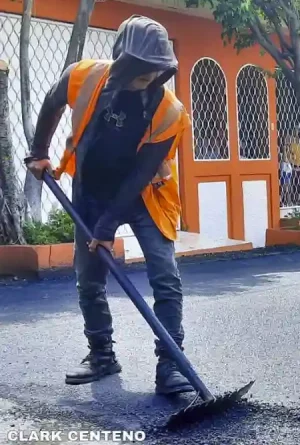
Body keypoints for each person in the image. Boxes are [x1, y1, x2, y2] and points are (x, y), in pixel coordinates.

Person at [24, 15, 194, 395]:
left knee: (165, 277)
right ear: (123, 63)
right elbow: (52, 103)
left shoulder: (170, 113)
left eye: (154, 73)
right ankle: (102, 355)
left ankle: (170, 366)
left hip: (146, 195)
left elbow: (138, 176)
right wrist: (37, 152)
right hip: (91, 191)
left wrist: (105, 229)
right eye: (141, 72)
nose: (148, 81)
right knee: (89, 278)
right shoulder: (83, 77)